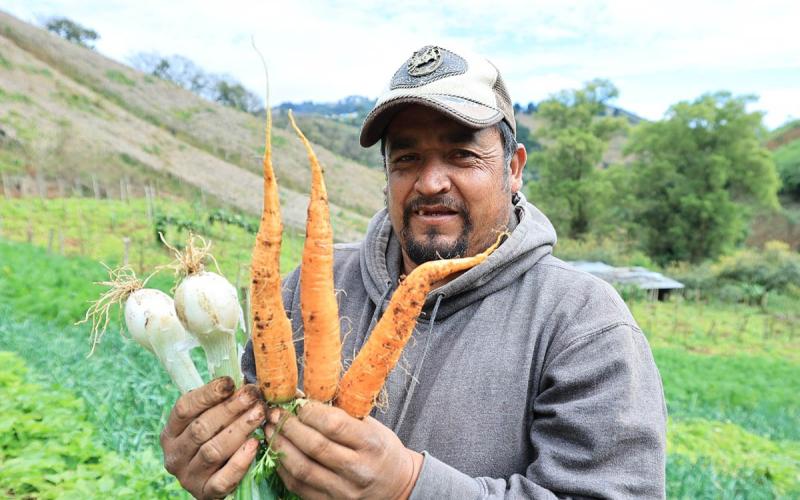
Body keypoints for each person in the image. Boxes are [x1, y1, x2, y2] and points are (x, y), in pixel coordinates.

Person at [160, 45, 667, 499]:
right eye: (407, 158)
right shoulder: (306, 286)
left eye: (461, 154)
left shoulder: (583, 321)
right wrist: (215, 456)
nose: (429, 182)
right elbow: (254, 451)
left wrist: (411, 487)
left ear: (513, 168)